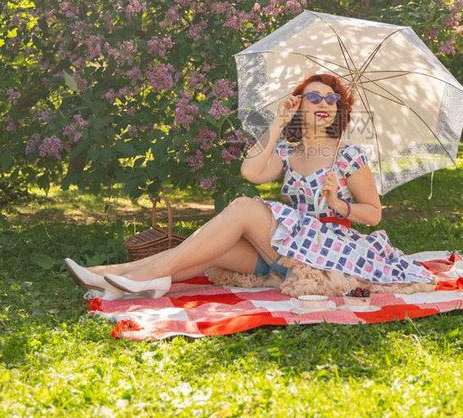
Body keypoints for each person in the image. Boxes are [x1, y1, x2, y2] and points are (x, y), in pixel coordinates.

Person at [64, 73, 434, 300]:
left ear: (340, 109)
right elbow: (252, 172)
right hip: (289, 250)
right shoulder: (289, 151)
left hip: (330, 249)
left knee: (243, 208)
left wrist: (339, 203)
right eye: (314, 97)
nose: (324, 103)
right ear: (299, 106)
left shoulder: (348, 154)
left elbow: (373, 214)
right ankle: (111, 276)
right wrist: (277, 123)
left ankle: (135, 278)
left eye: (332, 98)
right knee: (211, 251)